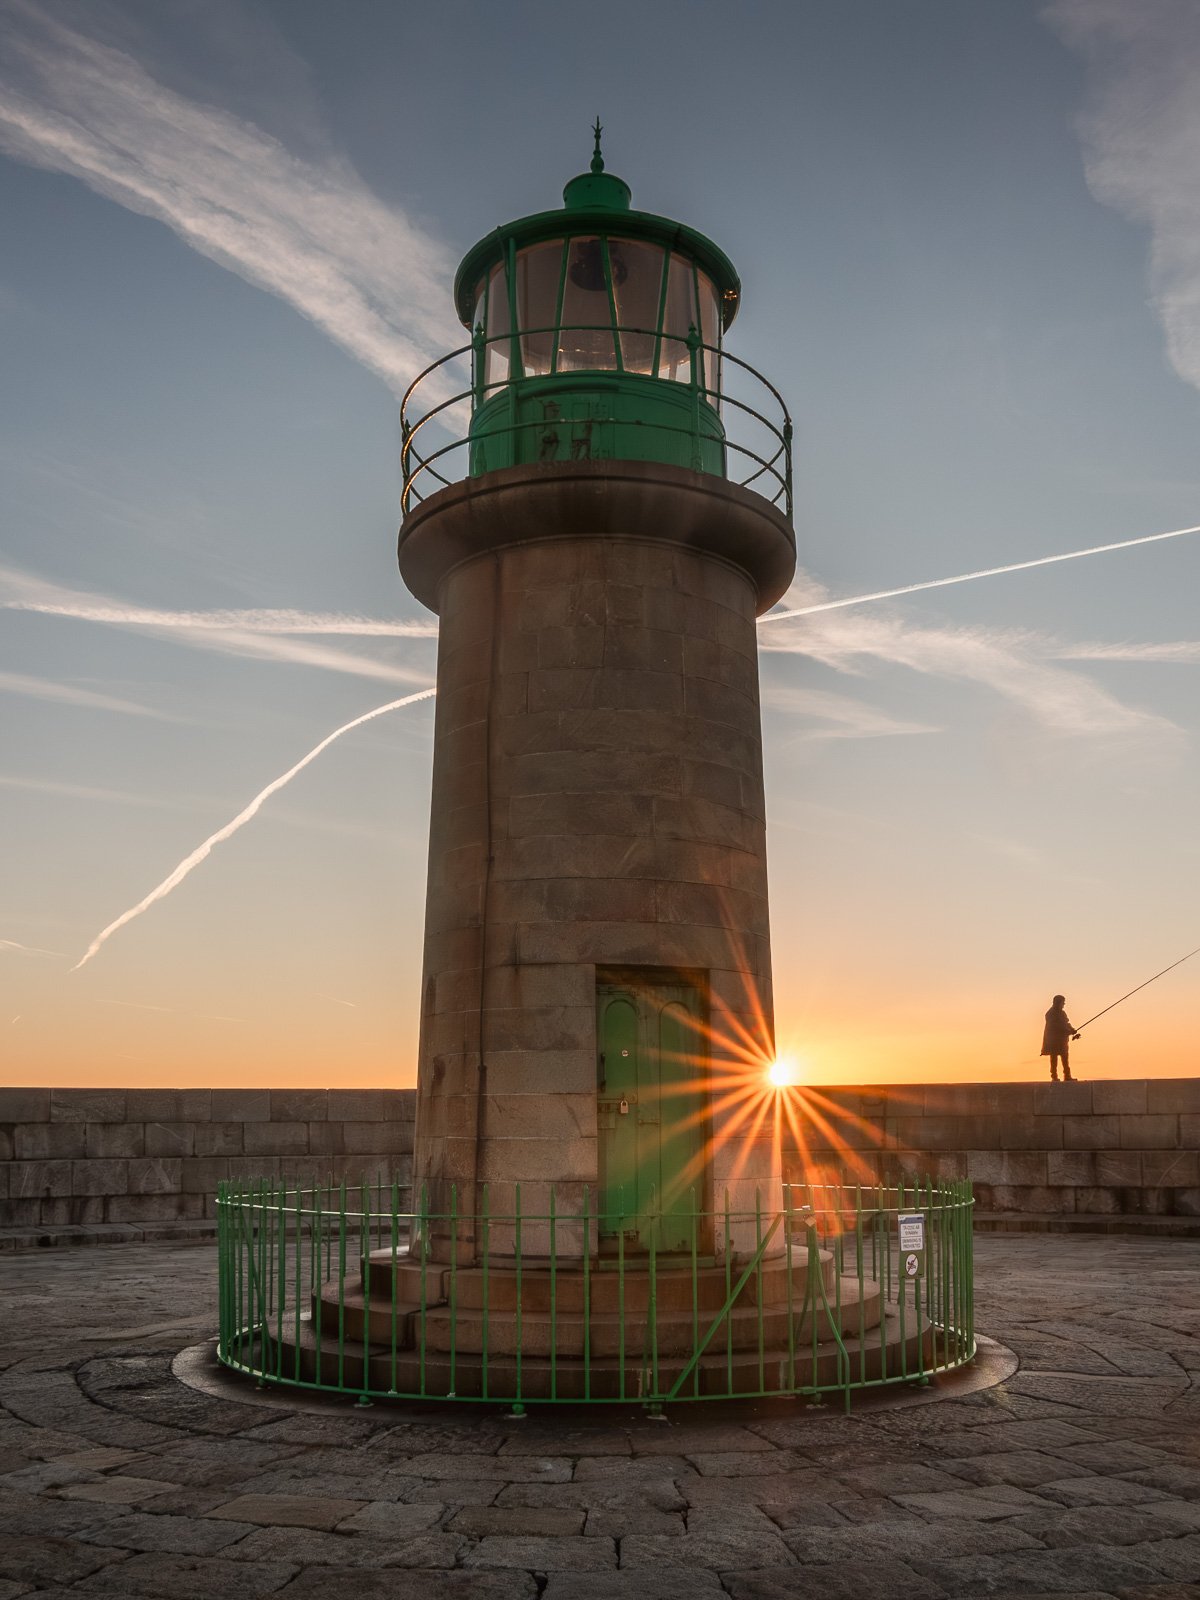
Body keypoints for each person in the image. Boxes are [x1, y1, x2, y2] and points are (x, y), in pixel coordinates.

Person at [1041, 995, 1080, 1082]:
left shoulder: (1062, 1013)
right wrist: (1069, 1031)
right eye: (1063, 1003)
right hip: (1053, 1041)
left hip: (1062, 1041)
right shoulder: (1050, 1014)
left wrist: (1072, 1029)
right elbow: (1057, 1027)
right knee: (1054, 1059)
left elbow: (1066, 1023)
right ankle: (1054, 1077)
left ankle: (1067, 1076)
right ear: (1058, 1002)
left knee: (1065, 1059)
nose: (1063, 1005)